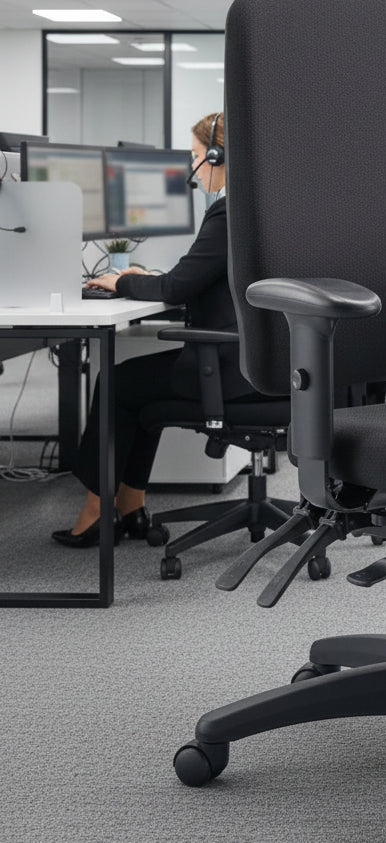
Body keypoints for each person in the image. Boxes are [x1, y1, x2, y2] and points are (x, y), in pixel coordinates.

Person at [52, 111, 269, 548]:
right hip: (262, 363)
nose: (193, 167)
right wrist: (144, 276)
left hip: (228, 368)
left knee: (120, 383)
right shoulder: (263, 205)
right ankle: (130, 504)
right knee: (141, 395)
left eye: (195, 156)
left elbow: (178, 285)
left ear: (216, 155)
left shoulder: (230, 213)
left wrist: (124, 280)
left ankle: (98, 510)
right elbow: (194, 278)